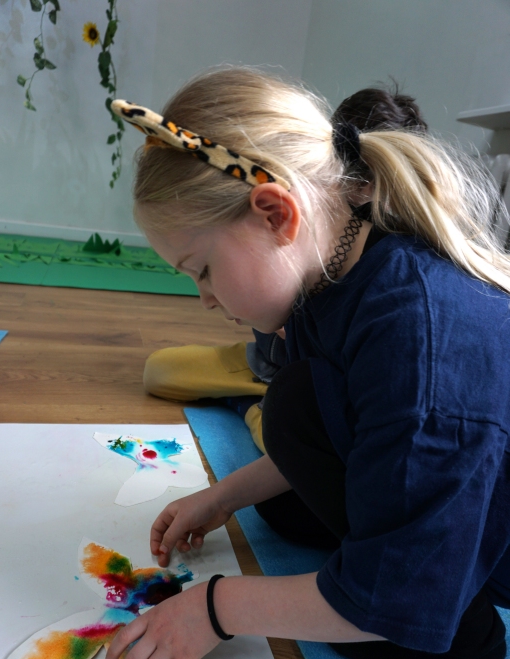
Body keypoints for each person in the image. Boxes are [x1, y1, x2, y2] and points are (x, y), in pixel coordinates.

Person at [105, 67, 510, 659]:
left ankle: (454, 625)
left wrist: (216, 608)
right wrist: (222, 497)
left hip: (485, 544)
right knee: (292, 416)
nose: (205, 298)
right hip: (429, 471)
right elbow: (335, 415)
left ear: (275, 214)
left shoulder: (416, 339)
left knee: (387, 611)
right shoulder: (330, 273)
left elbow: (390, 592)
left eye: (203, 270)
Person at [142, 85, 428, 453]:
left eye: (204, 271)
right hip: (274, 362)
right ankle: (256, 399)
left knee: (285, 434)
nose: (205, 299)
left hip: (315, 381)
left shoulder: (386, 286)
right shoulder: (305, 254)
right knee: (162, 371)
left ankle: (259, 407)